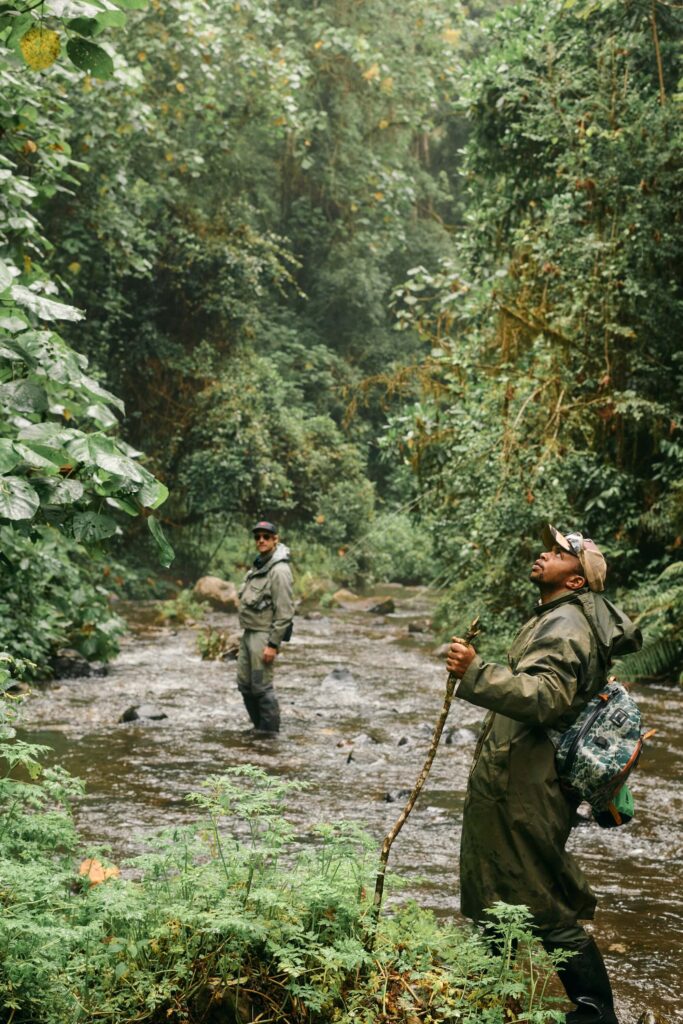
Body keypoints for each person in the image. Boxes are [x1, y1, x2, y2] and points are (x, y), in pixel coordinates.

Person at [446, 524, 642, 1024]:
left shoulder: (567, 625)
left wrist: (474, 671)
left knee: (538, 895)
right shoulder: (556, 617)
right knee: (496, 884)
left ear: (577, 581)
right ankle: (489, 997)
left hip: (529, 783)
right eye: (550, 549)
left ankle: (595, 1012)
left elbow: (544, 697)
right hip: (518, 774)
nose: (544, 554)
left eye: (558, 554)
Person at [236, 520, 294, 735]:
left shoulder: (279, 571)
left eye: (266, 537)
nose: (261, 540)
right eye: (258, 537)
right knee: (244, 683)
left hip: (263, 637)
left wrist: (273, 644)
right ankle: (258, 728)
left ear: (275, 539)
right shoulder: (259, 565)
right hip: (248, 633)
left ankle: (270, 735)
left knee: (261, 686)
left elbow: (285, 613)